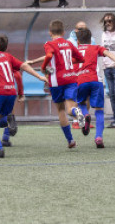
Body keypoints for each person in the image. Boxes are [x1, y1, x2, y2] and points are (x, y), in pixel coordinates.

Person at [74, 28, 115, 147]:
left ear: (78, 41)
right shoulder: (95, 47)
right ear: (90, 40)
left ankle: (85, 115)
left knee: (80, 103)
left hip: (80, 80)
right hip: (95, 81)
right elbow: (108, 53)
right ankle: (98, 137)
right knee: (99, 111)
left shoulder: (74, 50)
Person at [39, 20, 85, 148]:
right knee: (70, 108)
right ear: (64, 32)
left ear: (50, 32)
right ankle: (77, 112)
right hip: (71, 78)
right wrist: (68, 61)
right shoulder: (68, 43)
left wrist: (43, 68)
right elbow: (81, 59)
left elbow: (48, 55)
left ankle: (70, 140)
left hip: (57, 80)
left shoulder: (49, 44)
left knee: (60, 110)